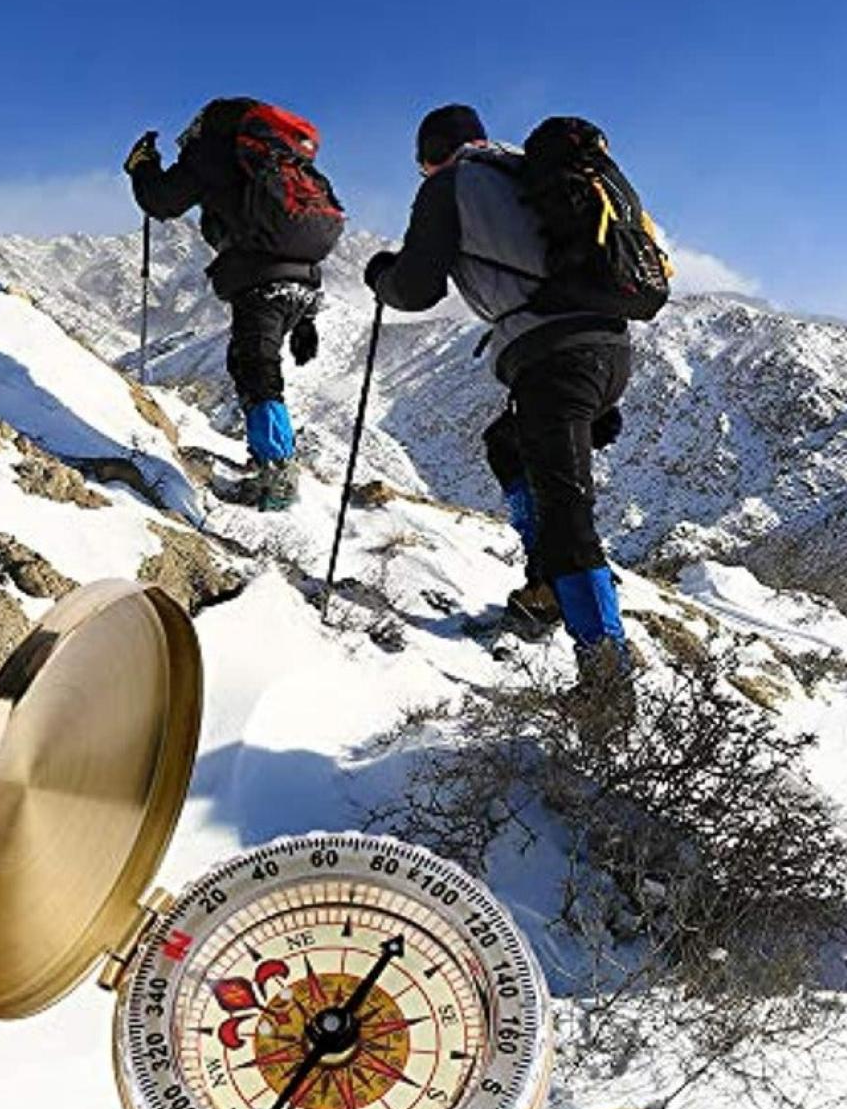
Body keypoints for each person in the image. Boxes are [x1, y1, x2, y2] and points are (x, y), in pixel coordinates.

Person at [363, 104, 633, 688]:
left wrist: (381, 276)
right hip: (608, 351)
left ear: (431, 153)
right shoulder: (523, 173)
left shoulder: (451, 185)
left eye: (420, 165)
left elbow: (415, 288)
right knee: (507, 447)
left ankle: (607, 683)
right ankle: (547, 587)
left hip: (555, 359)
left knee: (567, 516)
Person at [124, 98, 344, 510]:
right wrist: (306, 318)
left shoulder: (215, 153)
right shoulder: (285, 164)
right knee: (256, 366)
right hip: (304, 285)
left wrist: (142, 166)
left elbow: (162, 201)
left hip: (260, 281)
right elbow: (295, 235)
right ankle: (271, 461)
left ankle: (275, 473)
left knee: (254, 368)